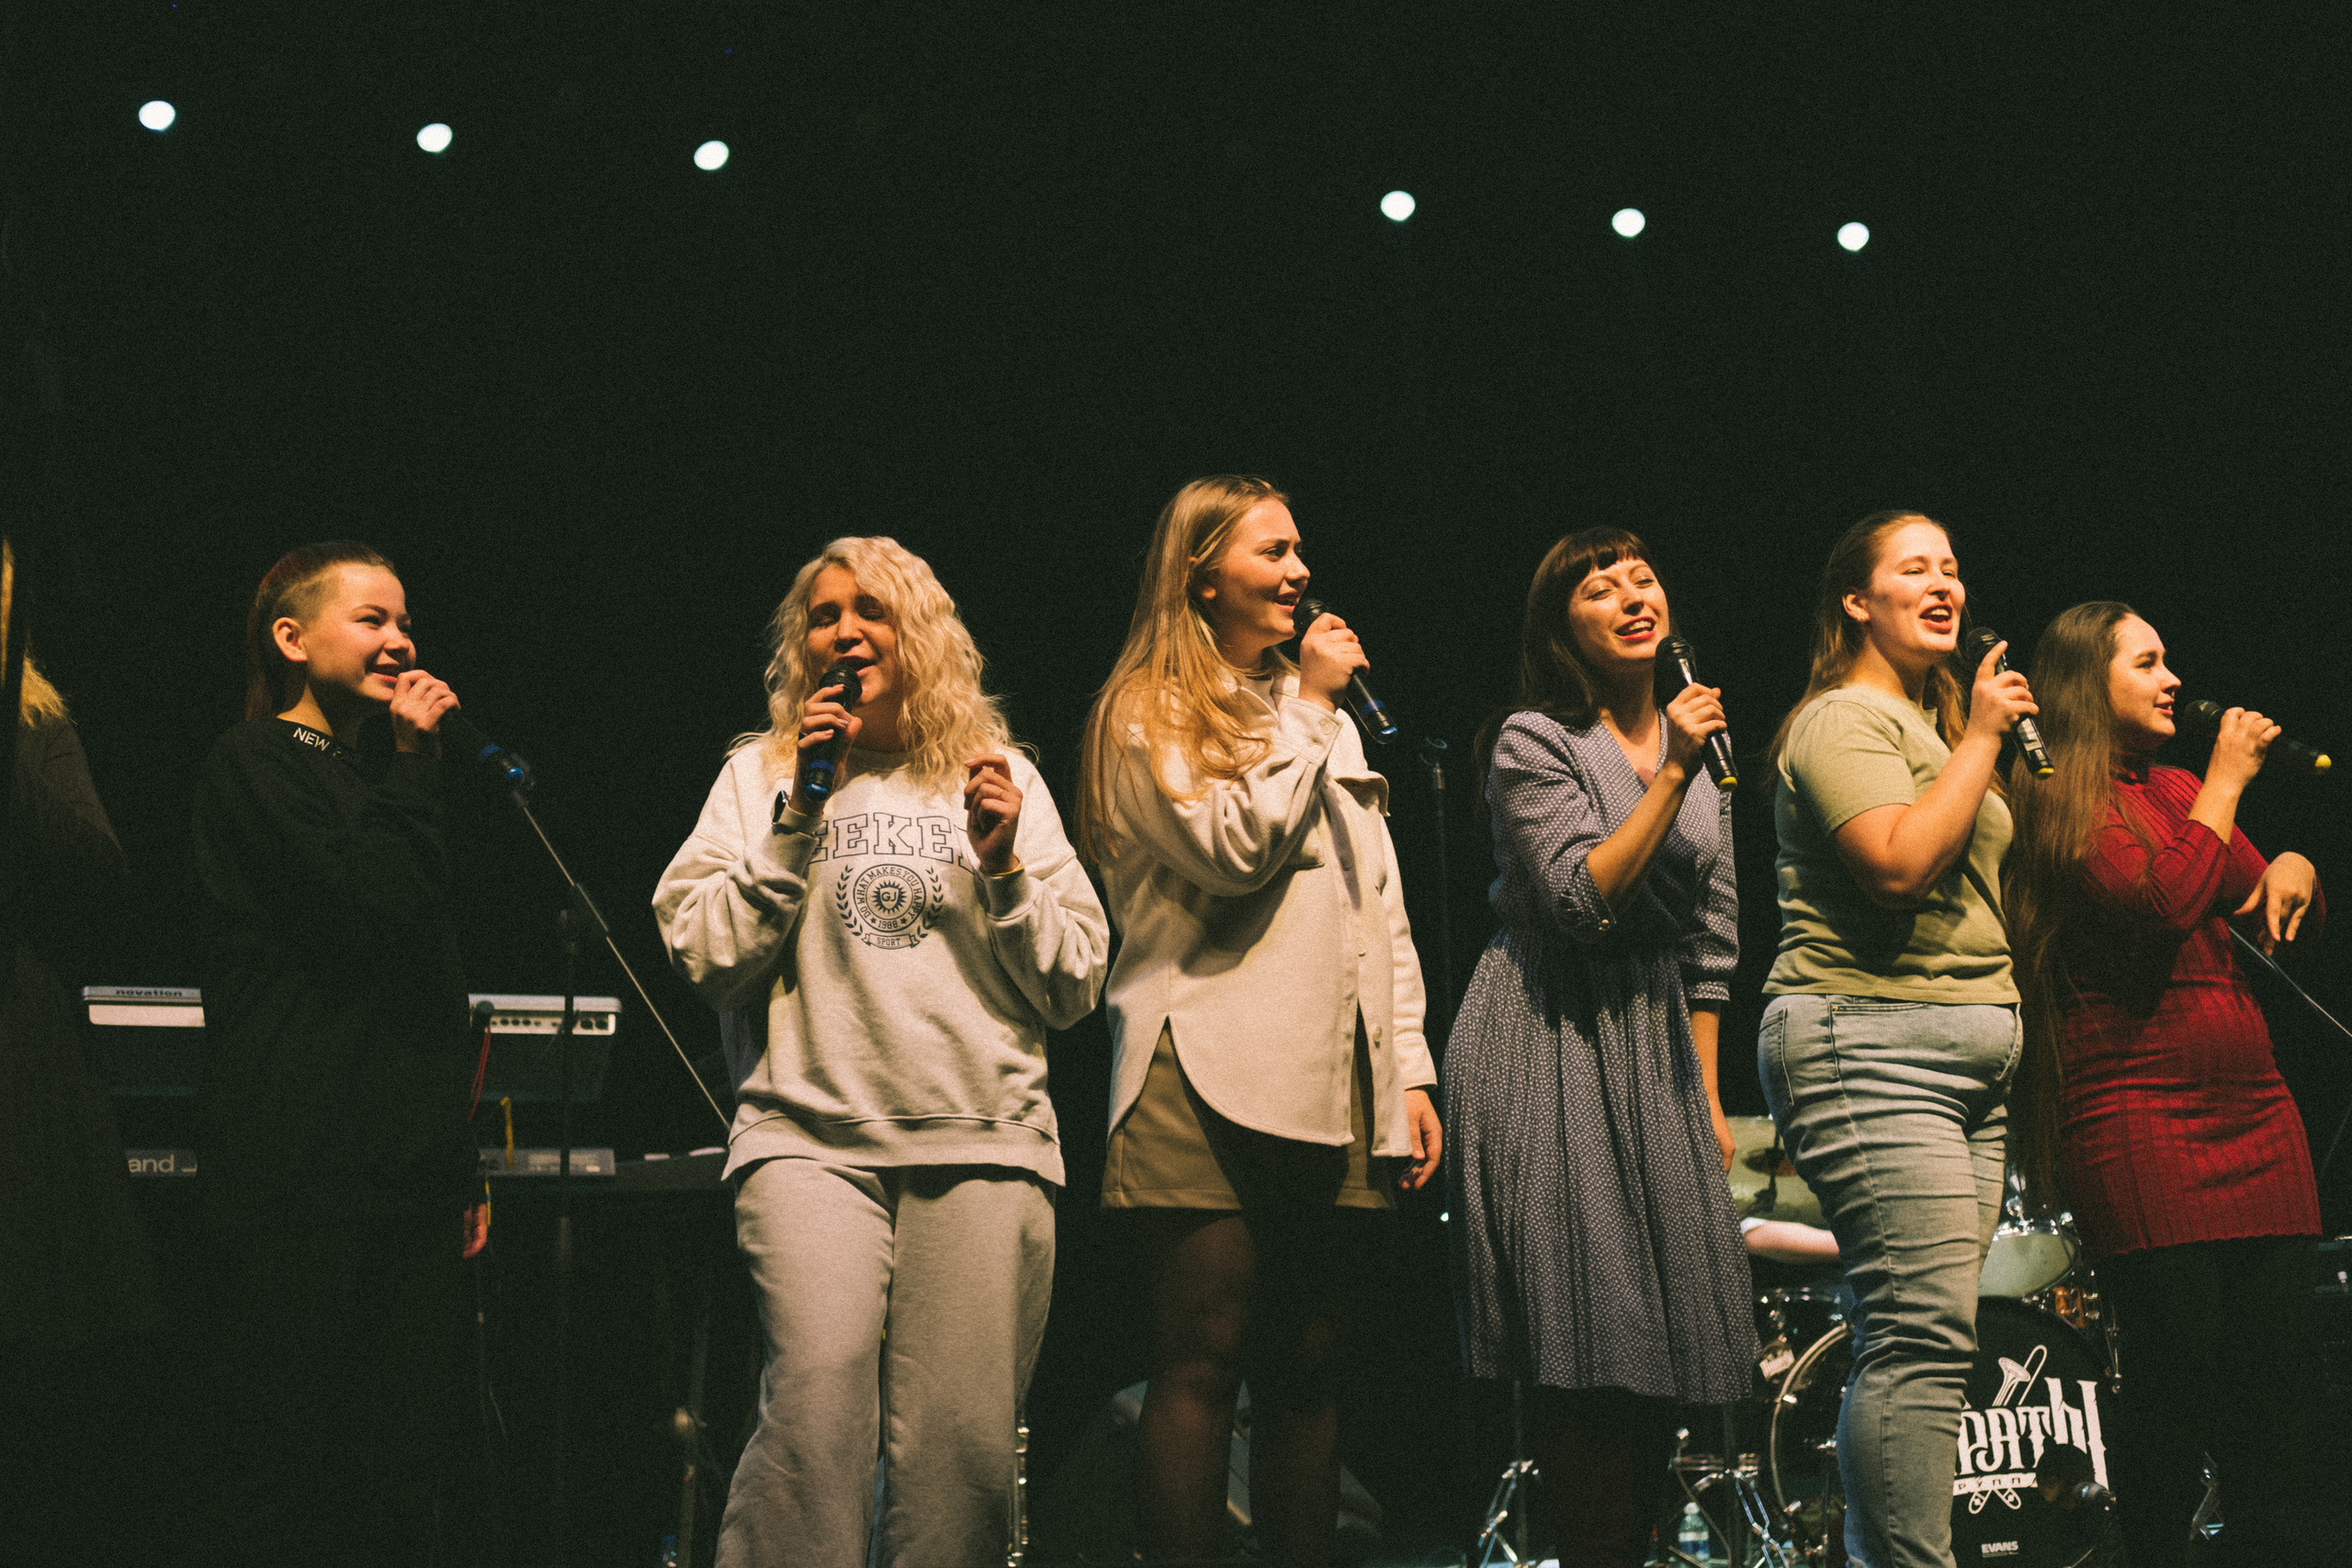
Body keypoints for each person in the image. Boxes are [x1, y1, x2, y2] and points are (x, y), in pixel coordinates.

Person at [654, 536, 1108, 1568]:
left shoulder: (1000, 780)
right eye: (823, 614)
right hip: (808, 1141)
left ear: (921, 637)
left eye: (872, 610)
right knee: (814, 1415)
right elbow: (703, 954)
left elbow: (1078, 982)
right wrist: (796, 816)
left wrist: (1005, 874)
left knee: (962, 1456)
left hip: (984, 1144)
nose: (844, 631)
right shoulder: (758, 777)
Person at [1076, 474, 1441, 1568]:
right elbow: (1233, 851)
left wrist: (1412, 1069)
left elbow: (1381, 909)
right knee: (1203, 1358)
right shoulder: (1151, 707)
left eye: (1298, 552)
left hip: (1337, 1077)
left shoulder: (1310, 710)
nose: (1298, 573)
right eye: (1272, 553)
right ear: (1201, 572)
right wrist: (1316, 710)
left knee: (1310, 1361)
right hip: (1206, 1065)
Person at [1442, 527, 1756, 1568]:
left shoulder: (1699, 752)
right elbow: (1579, 898)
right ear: (1560, 629)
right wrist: (1669, 771)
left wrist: (1705, 1095)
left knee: (1665, 1346)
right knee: (1586, 1344)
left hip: (1653, 1047)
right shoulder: (1533, 740)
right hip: (1549, 1036)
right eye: (1597, 587)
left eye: (1642, 577)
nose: (1631, 595)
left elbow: (1711, 939)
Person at [2003, 602, 2328, 1567]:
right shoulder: (2055, 794)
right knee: (2173, 1397)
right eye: (2147, 663)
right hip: (2140, 1121)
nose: (2173, 680)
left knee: (2277, 1395)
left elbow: (2239, 882)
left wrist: (2297, 862)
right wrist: (2227, 782)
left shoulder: (2179, 784)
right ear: (2084, 685)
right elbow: (2159, 901)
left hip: (2255, 1114)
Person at [189, 541, 486, 1566]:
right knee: (279, 1471)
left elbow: (426, 993)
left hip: (403, 1177)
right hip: (297, 1176)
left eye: (406, 622)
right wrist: (411, 770)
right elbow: (371, 915)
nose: (402, 641)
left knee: (396, 1473)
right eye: (372, 619)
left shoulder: (385, 782)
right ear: (291, 637)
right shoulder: (256, 765)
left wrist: (460, 1162)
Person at [1757, 510, 2038, 1568]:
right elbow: (1894, 864)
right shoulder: (1840, 721)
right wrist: (1980, 739)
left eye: (1953, 570)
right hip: (1869, 1042)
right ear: (1854, 600)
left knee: (1933, 1339)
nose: (1943, 586)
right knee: (1918, 1339)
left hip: (1966, 1061)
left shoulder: (1936, 730)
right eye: (1912, 569)